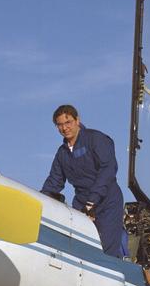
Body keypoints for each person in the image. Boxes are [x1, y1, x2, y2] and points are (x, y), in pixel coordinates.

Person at [40, 104, 128, 258]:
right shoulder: (62, 154)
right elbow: (54, 182)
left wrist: (92, 201)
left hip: (107, 202)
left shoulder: (95, 139)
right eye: (60, 125)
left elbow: (108, 169)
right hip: (82, 203)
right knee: (79, 248)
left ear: (77, 120)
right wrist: (39, 202)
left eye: (68, 122)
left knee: (104, 251)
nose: (64, 128)